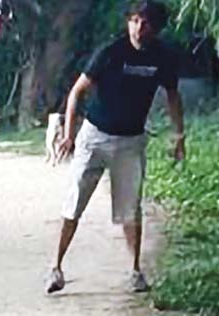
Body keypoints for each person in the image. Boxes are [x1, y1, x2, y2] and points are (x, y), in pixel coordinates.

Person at [47, 1, 185, 294]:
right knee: (74, 204)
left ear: (156, 28)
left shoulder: (162, 57)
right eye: (134, 21)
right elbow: (76, 93)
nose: (138, 28)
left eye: (145, 23)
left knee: (129, 209)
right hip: (94, 136)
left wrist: (179, 135)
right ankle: (56, 268)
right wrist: (69, 135)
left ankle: (135, 271)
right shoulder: (111, 52)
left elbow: (173, 96)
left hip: (131, 142)